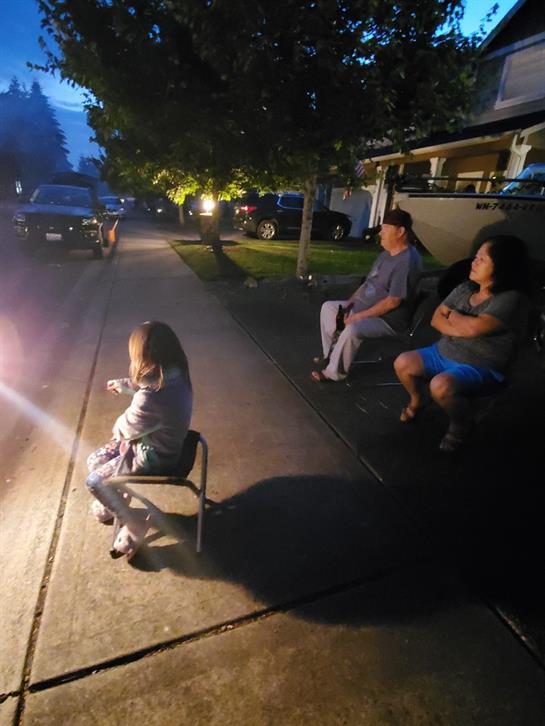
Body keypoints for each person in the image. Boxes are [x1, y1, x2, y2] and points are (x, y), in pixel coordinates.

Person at [394, 235, 529, 452]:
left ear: (502, 266)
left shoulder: (511, 299)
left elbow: (475, 329)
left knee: (440, 386)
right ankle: (417, 400)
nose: (474, 262)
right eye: (475, 257)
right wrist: (459, 324)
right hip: (443, 352)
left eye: (482, 259)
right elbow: (436, 319)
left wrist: (453, 316)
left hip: (481, 364)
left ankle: (461, 423)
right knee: (403, 363)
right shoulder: (465, 288)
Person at [86, 321, 193, 559]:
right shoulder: (177, 374)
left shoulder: (150, 398)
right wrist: (127, 386)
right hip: (165, 442)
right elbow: (151, 384)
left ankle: (133, 520)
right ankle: (116, 499)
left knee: (94, 481)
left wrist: (119, 427)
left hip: (153, 456)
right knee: (95, 459)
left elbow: (125, 428)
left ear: (148, 360)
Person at [311, 208, 422, 382]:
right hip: (364, 308)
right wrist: (350, 302)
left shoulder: (407, 262)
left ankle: (334, 372)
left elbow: (393, 302)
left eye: (385, 229)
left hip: (388, 319)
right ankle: (331, 354)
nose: (381, 233)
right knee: (329, 308)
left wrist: (357, 317)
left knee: (353, 328)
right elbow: (368, 283)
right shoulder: (386, 254)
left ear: (400, 232)